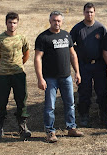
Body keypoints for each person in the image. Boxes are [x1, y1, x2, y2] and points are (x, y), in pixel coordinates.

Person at [34, 11, 84, 143]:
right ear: (50, 21)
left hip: (66, 77)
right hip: (50, 78)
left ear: (62, 22)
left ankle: (71, 128)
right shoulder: (43, 37)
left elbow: (73, 55)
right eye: (54, 20)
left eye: (59, 21)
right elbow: (38, 58)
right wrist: (40, 78)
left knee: (70, 104)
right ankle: (50, 131)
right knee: (50, 106)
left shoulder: (66, 35)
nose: (56, 23)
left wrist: (77, 72)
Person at [0, 12, 31, 140]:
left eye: (14, 23)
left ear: (17, 23)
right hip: (3, 75)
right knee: (1, 101)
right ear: (6, 23)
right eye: (10, 22)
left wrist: (18, 65)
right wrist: (4, 67)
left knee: (21, 101)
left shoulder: (22, 38)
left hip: (19, 74)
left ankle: (22, 127)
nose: (12, 25)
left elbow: (26, 54)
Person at [70, 2, 107, 127]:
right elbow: (70, 46)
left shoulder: (100, 28)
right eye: (87, 12)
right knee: (84, 91)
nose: (89, 14)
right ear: (83, 12)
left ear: (95, 13)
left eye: (91, 12)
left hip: (99, 65)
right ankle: (84, 115)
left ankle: (103, 114)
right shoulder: (77, 28)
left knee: (102, 91)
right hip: (84, 66)